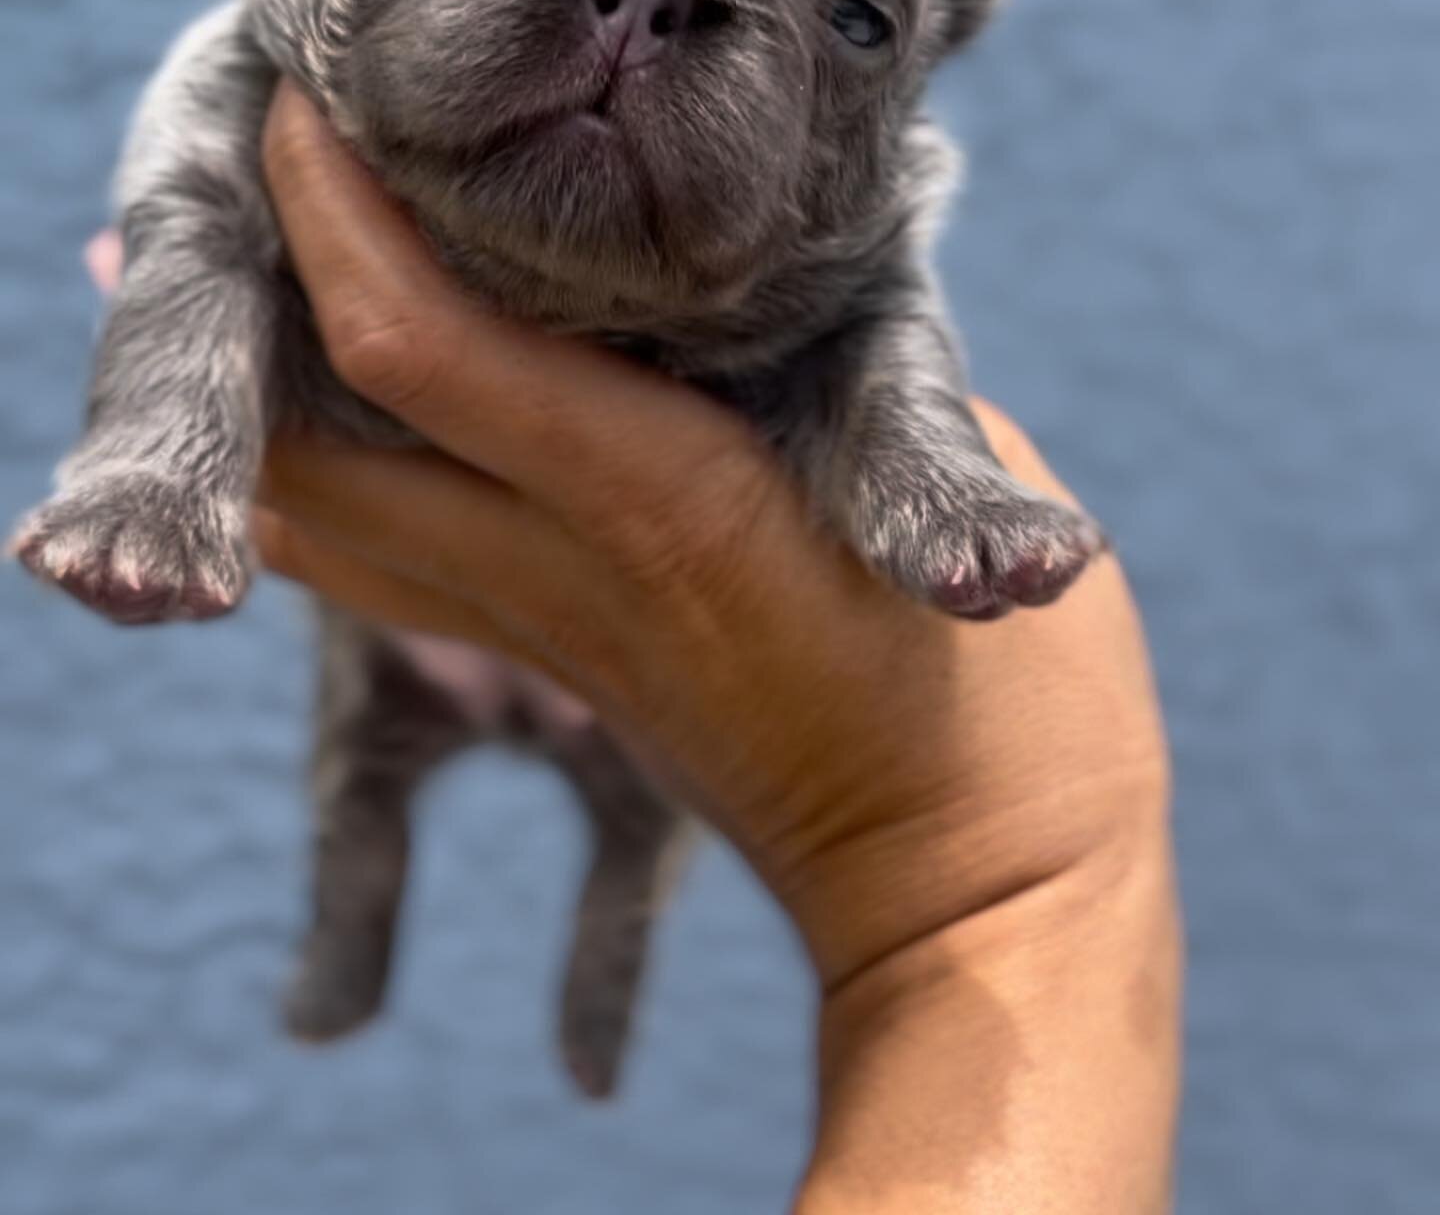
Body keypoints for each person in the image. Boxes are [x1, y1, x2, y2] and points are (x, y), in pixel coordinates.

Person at [244, 82, 1181, 1212]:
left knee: (620, 843)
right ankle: (345, 973)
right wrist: (1006, 889)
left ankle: (582, 999)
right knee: (372, 801)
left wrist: (994, 882)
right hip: (410, 629)